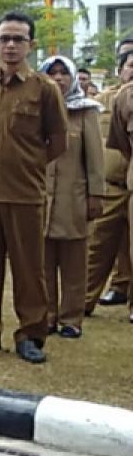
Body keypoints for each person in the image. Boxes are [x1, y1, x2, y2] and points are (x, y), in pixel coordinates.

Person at [0, 11, 68, 365]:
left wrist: (28, 165)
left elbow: (58, 142)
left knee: (29, 269)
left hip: (25, 193)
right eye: (4, 38)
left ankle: (31, 335)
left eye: (18, 39)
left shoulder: (45, 89)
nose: (10, 45)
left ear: (30, 46)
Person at [39, 56, 103, 338]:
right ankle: (48, 316)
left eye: (64, 73)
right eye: (52, 73)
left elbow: (95, 159)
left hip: (72, 198)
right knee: (43, 262)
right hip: (39, 198)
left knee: (75, 262)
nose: (58, 78)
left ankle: (71, 319)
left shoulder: (85, 112)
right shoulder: (36, 108)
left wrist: (95, 195)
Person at [87, 41, 133, 315]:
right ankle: (81, 301)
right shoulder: (104, 101)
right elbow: (119, 141)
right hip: (113, 185)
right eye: (130, 66)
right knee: (97, 247)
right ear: (120, 69)